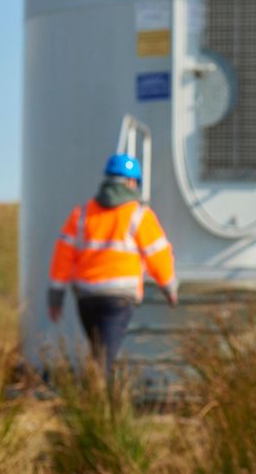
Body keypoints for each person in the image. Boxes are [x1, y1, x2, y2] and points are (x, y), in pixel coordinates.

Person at [47, 153, 178, 377]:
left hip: (86, 297)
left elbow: (63, 256)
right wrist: (169, 287)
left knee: (99, 353)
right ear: (131, 182)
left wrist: (55, 296)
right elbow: (158, 254)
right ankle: (97, 404)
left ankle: (97, 401)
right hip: (119, 299)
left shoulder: (82, 214)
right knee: (104, 359)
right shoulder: (139, 214)